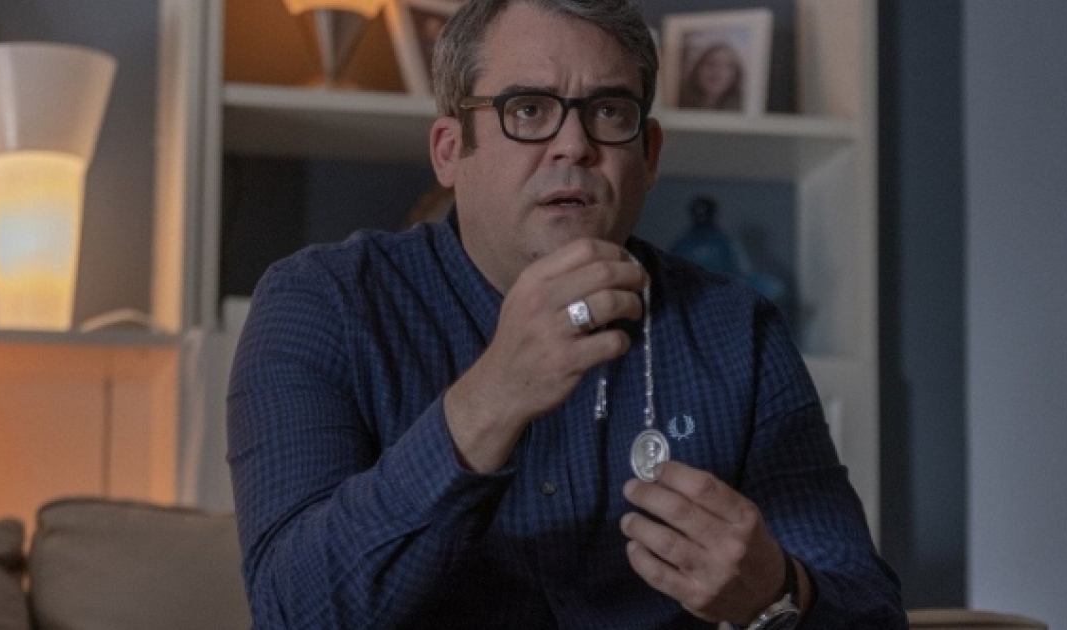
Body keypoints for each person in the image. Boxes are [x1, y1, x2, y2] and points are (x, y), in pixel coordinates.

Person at [227, 0, 906, 628]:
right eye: (528, 110)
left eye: (609, 112)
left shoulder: (734, 330)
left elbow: (869, 612)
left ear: (648, 155)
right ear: (448, 151)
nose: (575, 145)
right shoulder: (322, 303)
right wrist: (491, 398)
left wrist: (776, 593)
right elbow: (292, 612)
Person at [677, 41, 745, 111]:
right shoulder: (678, 100)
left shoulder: (741, 107)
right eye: (711, 63)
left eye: (726, 66)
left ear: (735, 74)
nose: (717, 71)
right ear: (697, 69)